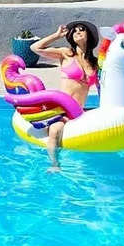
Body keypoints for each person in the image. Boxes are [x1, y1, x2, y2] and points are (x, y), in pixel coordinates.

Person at [30, 21, 99, 172]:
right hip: (62, 110)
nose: (77, 32)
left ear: (90, 35)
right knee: (55, 130)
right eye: (74, 31)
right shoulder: (66, 53)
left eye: (82, 30)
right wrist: (56, 35)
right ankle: (55, 165)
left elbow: (102, 89)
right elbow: (35, 48)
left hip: (79, 111)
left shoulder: (94, 63)